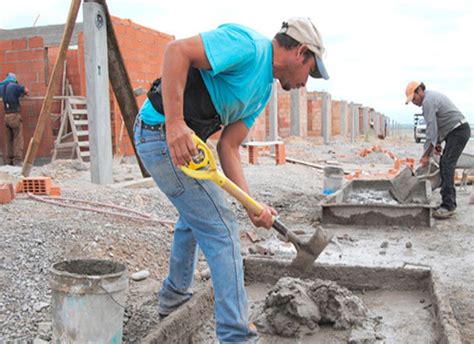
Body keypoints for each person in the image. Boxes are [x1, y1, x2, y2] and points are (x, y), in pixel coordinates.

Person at [133, 17, 329, 343]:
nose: (307, 82)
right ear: (301, 52)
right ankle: (236, 335)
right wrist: (176, 125)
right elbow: (175, 52)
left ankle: (174, 297)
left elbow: (229, 146)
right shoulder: (248, 47)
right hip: (159, 133)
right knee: (222, 226)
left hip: (185, 145)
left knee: (196, 215)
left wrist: (251, 205)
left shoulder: (262, 91)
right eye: (311, 71)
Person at [405, 81, 470, 219]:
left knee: (447, 164)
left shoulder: (428, 101)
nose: (414, 102)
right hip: (454, 132)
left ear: (419, 91)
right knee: (444, 164)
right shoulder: (429, 99)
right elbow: (439, 124)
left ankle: (448, 206)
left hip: (458, 131)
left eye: (414, 98)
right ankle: (447, 200)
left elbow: (431, 132)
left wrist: (426, 155)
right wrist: (438, 142)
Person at [2, 73, 29, 166]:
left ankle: (9, 161)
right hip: (14, 115)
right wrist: (24, 93)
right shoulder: (14, 86)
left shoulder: (2, 87)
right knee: (18, 138)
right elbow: (26, 90)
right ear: (14, 79)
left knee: (9, 139)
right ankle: (17, 161)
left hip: (7, 116)